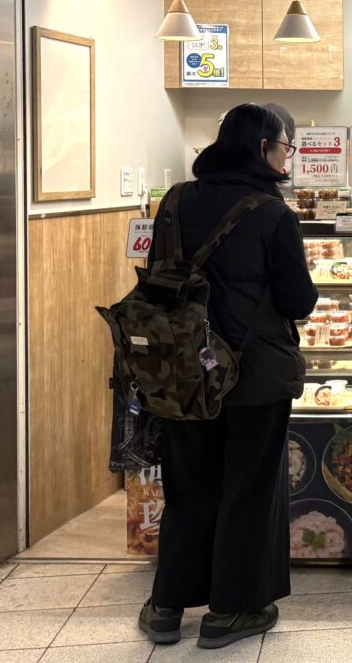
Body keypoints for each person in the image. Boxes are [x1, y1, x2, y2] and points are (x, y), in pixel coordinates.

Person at [138, 103, 317, 649]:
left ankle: (167, 606)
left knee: (188, 486)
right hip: (254, 374)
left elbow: (157, 278)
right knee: (248, 489)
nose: (287, 158)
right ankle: (232, 611)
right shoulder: (272, 213)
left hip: (182, 368)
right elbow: (298, 299)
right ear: (262, 147)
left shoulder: (175, 200)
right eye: (284, 147)